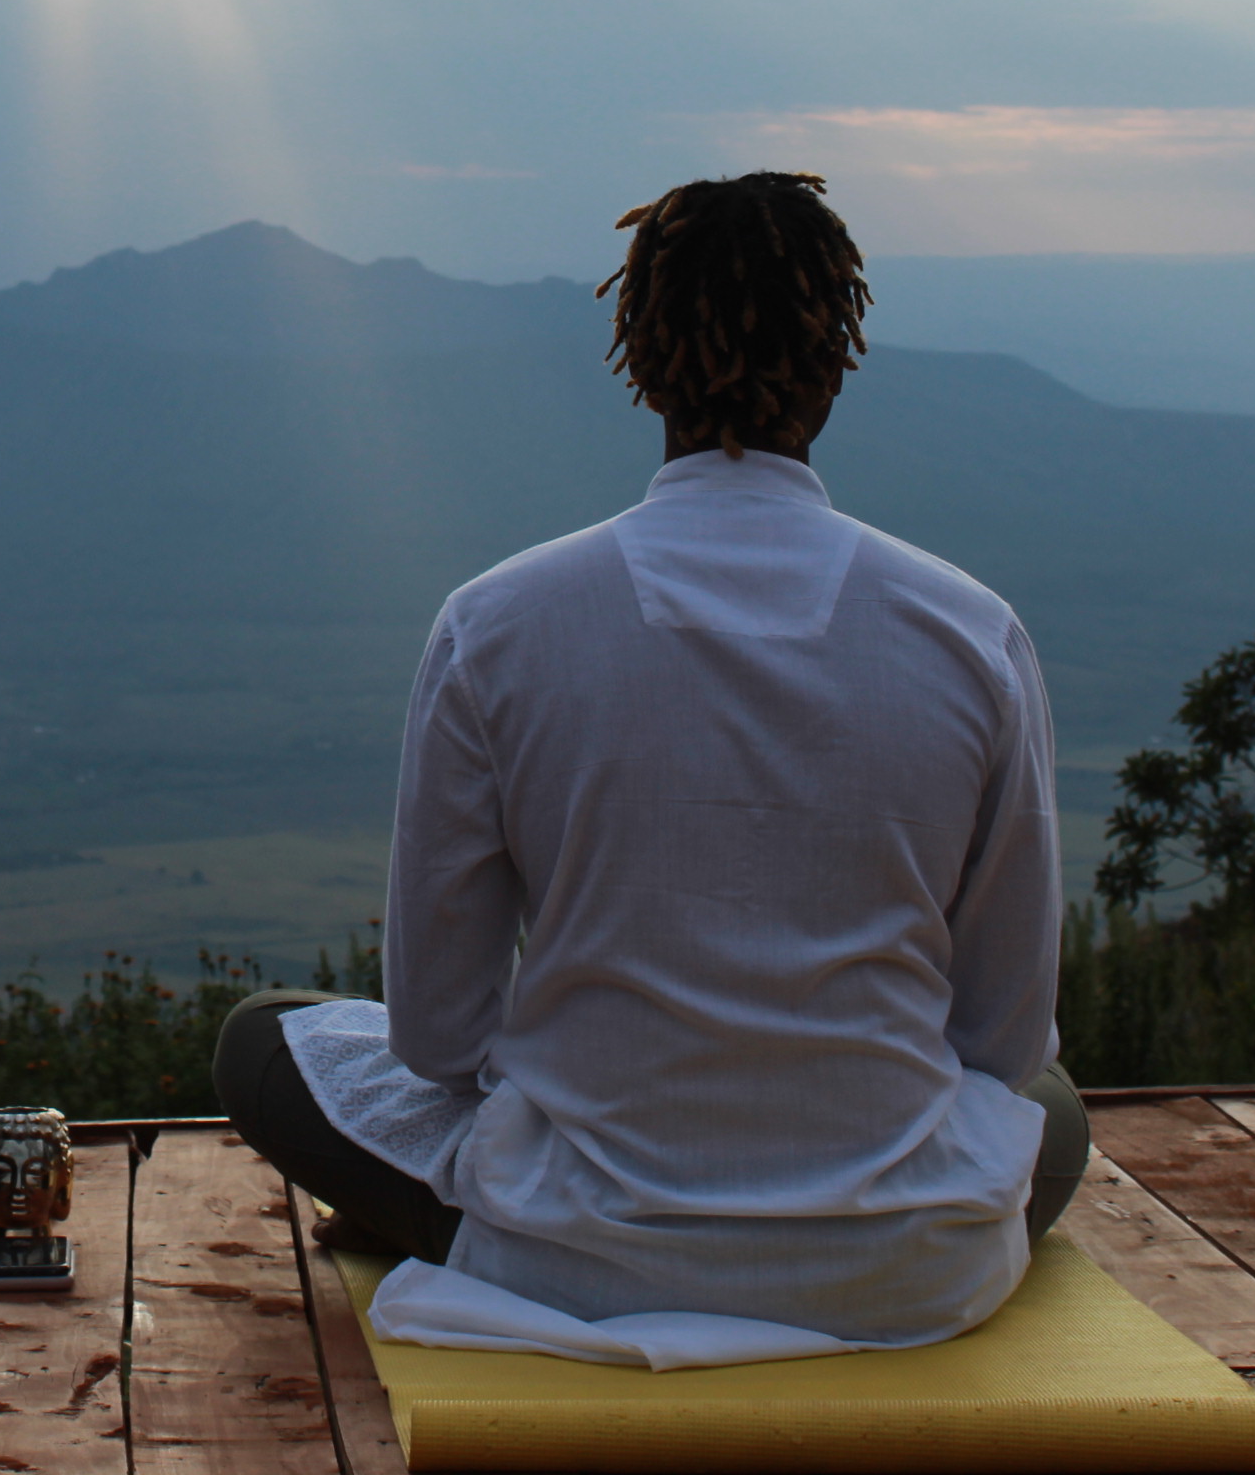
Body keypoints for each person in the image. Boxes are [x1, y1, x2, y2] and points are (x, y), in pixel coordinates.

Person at [214, 172, 1084, 1354]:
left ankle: (446, 1229)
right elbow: (1004, 1039)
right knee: (1054, 1115)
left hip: (570, 1252)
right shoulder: (968, 631)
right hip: (906, 1264)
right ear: (837, 360)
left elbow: (434, 1040)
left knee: (264, 1038)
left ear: (639, 357)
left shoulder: (499, 624)